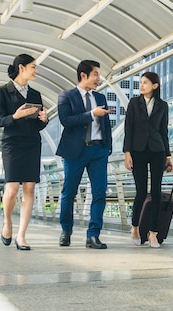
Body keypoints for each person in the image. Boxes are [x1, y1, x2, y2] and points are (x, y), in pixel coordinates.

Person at [56, 60, 113, 249]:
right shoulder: (66, 96)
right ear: (83, 75)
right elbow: (66, 121)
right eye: (95, 74)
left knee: (99, 193)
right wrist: (92, 114)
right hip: (75, 151)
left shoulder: (101, 98)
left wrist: (108, 149)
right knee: (69, 192)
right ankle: (66, 230)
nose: (99, 78)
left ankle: (93, 235)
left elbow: (106, 126)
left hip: (98, 150)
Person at [0, 54, 49, 251]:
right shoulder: (3, 91)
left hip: (32, 144)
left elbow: (38, 125)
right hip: (12, 144)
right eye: (33, 67)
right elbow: (0, 120)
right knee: (12, 189)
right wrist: (16, 116)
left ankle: (22, 235)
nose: (36, 71)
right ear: (21, 68)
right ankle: (7, 223)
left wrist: (44, 120)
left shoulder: (35, 95)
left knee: (29, 189)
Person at [123, 72, 173, 248]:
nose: (141, 85)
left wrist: (168, 155)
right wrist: (127, 152)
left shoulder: (162, 105)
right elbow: (128, 128)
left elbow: (163, 131)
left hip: (157, 150)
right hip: (138, 151)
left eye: (145, 83)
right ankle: (135, 227)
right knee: (141, 192)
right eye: (141, 82)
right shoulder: (134, 104)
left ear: (155, 86)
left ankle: (153, 233)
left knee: (157, 191)